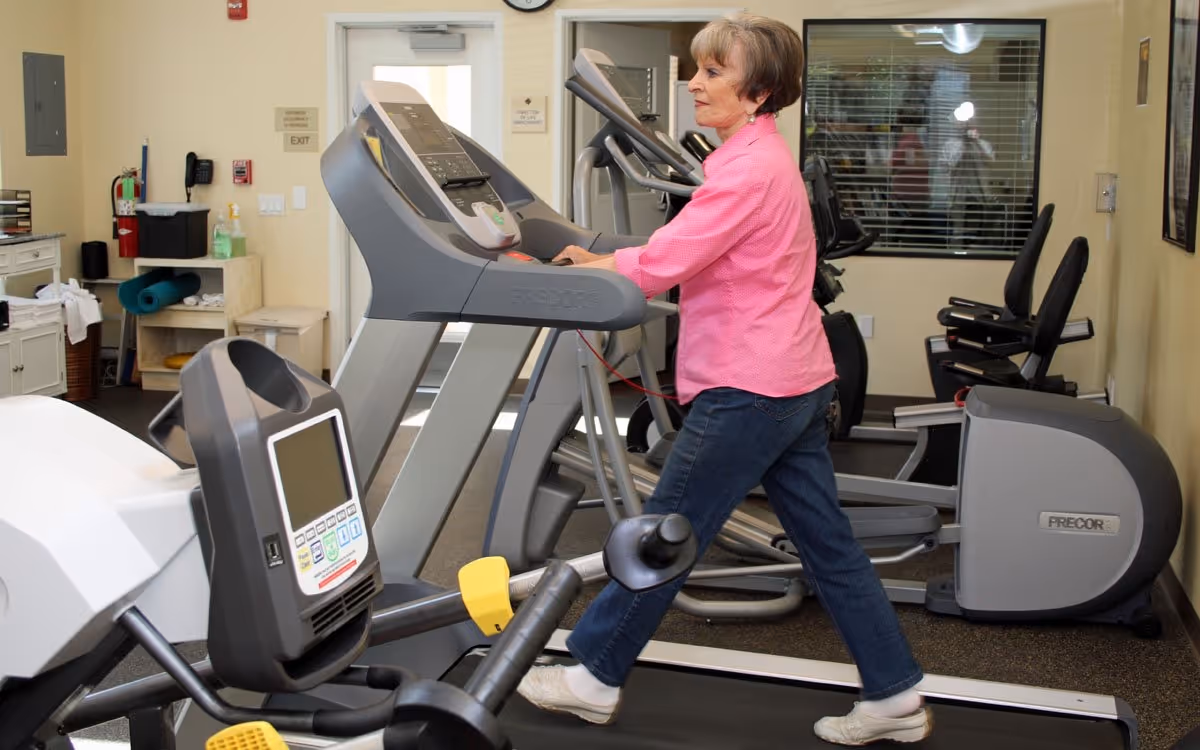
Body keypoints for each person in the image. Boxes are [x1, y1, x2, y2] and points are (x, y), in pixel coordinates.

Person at [517, 13, 932, 747]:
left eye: (713, 72)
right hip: (794, 381)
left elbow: (666, 261)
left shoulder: (745, 171)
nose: (693, 83)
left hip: (751, 388)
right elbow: (690, 246)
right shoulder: (757, 158)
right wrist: (604, 260)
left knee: (664, 533)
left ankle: (592, 678)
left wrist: (594, 265)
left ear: (759, 91)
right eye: (696, 68)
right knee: (829, 548)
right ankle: (895, 694)